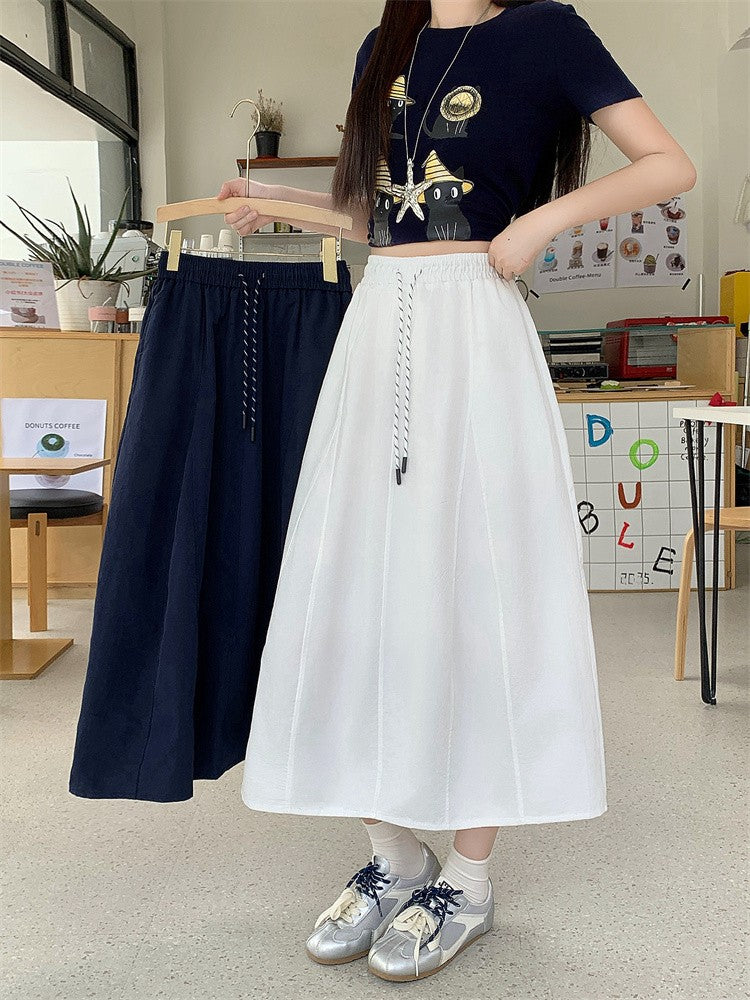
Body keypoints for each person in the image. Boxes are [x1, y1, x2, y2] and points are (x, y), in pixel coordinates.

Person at [218, 0, 695, 983]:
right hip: (378, 327)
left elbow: (667, 163)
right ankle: (396, 858)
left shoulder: (548, 31)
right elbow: (377, 215)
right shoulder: (383, 43)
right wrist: (277, 205)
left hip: (476, 328)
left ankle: (468, 885)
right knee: (354, 584)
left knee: (481, 591)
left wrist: (540, 223)